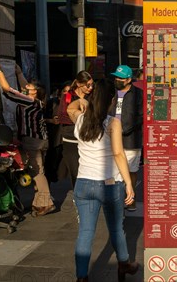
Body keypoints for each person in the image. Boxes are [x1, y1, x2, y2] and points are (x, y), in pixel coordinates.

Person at [66, 79, 138, 282]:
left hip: (84, 184)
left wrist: (83, 101)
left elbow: (70, 106)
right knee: (116, 228)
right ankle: (124, 264)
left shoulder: (80, 120)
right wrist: (129, 183)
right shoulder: (112, 123)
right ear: (110, 101)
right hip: (109, 184)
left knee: (85, 232)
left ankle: (82, 277)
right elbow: (118, 154)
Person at [0, 61, 55, 216]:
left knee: (37, 172)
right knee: (38, 171)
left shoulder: (28, 100)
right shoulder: (37, 101)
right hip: (39, 140)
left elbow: (7, 90)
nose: (26, 87)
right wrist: (19, 73)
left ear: (34, 93)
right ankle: (39, 202)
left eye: (29, 88)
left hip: (33, 140)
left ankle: (47, 203)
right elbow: (25, 84)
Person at [110, 65, 143, 212]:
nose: (117, 80)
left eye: (121, 78)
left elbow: (141, 115)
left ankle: (131, 199)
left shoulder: (138, 94)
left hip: (130, 139)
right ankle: (117, 199)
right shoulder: (112, 93)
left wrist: (124, 129)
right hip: (111, 136)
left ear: (129, 79)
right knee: (114, 171)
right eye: (116, 77)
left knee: (131, 170)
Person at [56, 71, 94, 189]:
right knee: (75, 170)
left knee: (89, 169)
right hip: (71, 138)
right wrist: (79, 116)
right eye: (87, 85)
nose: (90, 88)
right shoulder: (68, 96)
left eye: (92, 85)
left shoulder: (93, 96)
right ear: (78, 84)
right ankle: (78, 196)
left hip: (88, 137)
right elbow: (62, 117)